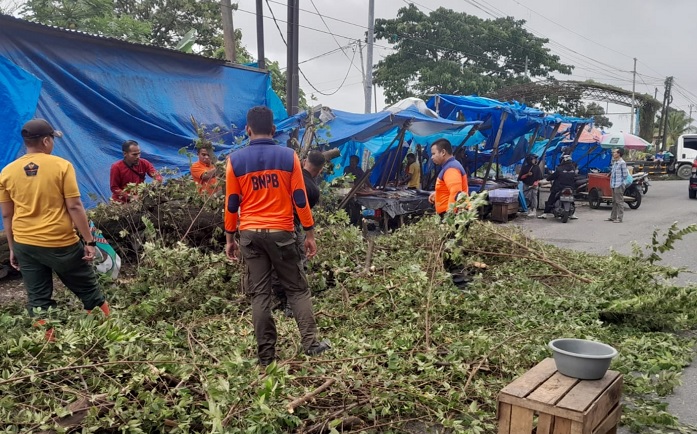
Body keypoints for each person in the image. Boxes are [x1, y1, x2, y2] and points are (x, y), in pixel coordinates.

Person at [224, 106, 330, 367]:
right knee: (297, 289)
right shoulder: (289, 157)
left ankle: (266, 357)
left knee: (260, 295)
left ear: (248, 130)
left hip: (250, 234)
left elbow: (231, 204)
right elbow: (300, 199)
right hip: (282, 232)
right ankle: (311, 344)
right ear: (273, 130)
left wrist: (229, 238)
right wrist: (309, 232)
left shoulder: (234, 161)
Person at [0, 119, 109, 340]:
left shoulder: (7, 172)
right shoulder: (61, 166)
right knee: (88, 289)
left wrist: (13, 247)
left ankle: (48, 344)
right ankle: (105, 331)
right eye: (52, 140)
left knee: (38, 299)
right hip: (60, 242)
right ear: (47, 140)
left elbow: (7, 215)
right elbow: (75, 206)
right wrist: (88, 242)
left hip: (25, 243)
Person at [273, 150, 326, 317]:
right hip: (290, 227)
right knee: (298, 264)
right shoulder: (313, 190)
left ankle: (278, 299)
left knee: (274, 264)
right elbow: (303, 215)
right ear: (320, 170)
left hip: (269, 224)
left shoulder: (287, 176)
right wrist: (309, 236)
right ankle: (292, 306)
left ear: (304, 161)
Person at [428, 139, 469, 217]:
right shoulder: (449, 166)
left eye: (433, 154)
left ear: (443, 152)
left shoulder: (451, 168)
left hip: (453, 216)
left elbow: (456, 193)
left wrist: (449, 218)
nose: (432, 157)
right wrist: (438, 193)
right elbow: (450, 189)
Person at [538, 154, 578, 219]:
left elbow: (552, 176)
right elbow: (575, 178)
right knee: (572, 199)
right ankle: (572, 214)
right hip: (570, 188)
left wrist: (546, 179)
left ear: (563, 160)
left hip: (559, 188)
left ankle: (545, 213)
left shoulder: (559, 168)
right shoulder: (573, 168)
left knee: (551, 199)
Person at [608, 148, 628, 223]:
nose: (613, 153)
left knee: (619, 202)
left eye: (615, 152)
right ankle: (613, 217)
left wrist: (621, 183)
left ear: (619, 154)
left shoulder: (622, 163)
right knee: (614, 201)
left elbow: (625, 175)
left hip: (619, 184)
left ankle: (620, 218)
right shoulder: (615, 162)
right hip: (613, 184)